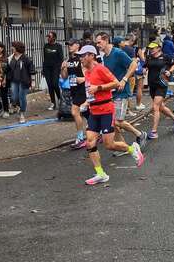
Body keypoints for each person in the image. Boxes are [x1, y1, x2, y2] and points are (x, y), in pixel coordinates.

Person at [79, 44, 144, 185]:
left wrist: (99, 87)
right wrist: (86, 102)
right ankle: (100, 174)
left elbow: (115, 83)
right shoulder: (87, 72)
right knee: (90, 142)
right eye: (80, 56)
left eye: (83, 56)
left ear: (91, 55)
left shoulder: (100, 69)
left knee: (109, 144)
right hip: (94, 111)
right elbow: (90, 91)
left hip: (106, 110)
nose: (81, 58)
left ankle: (132, 149)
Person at [95, 33, 149, 152]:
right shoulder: (105, 57)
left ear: (106, 40)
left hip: (121, 92)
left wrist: (124, 79)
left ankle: (140, 134)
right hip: (111, 93)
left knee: (118, 121)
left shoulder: (118, 53)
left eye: (99, 42)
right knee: (112, 123)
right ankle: (123, 146)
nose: (97, 45)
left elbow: (134, 64)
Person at [144, 42, 174, 139]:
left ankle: (154, 131)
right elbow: (146, 66)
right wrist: (144, 70)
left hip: (161, 84)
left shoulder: (165, 57)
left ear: (159, 48)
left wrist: (170, 71)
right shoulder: (149, 58)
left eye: (153, 48)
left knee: (155, 106)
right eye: (150, 49)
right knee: (161, 107)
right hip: (152, 85)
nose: (151, 50)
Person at [61, 39, 87, 149]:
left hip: (83, 89)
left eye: (71, 44)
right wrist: (63, 68)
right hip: (74, 89)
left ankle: (80, 138)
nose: (69, 47)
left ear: (77, 45)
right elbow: (64, 77)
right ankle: (98, 130)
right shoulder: (69, 59)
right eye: (68, 45)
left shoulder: (81, 58)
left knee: (74, 112)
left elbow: (89, 73)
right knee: (87, 113)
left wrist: (83, 78)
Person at [8, 41, 35, 123]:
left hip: (24, 81)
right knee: (14, 97)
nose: (11, 48)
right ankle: (16, 106)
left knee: (22, 97)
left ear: (17, 48)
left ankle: (22, 114)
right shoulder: (10, 58)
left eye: (13, 47)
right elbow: (8, 69)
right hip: (14, 81)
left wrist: (33, 82)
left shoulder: (26, 58)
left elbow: (32, 70)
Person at [42, 31, 63, 110]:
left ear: (54, 38)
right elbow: (45, 58)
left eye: (50, 37)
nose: (48, 38)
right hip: (47, 68)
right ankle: (53, 103)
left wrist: (60, 69)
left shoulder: (58, 46)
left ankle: (60, 99)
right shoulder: (46, 46)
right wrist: (43, 70)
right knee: (50, 85)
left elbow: (61, 58)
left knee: (55, 84)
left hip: (55, 68)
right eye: (48, 37)